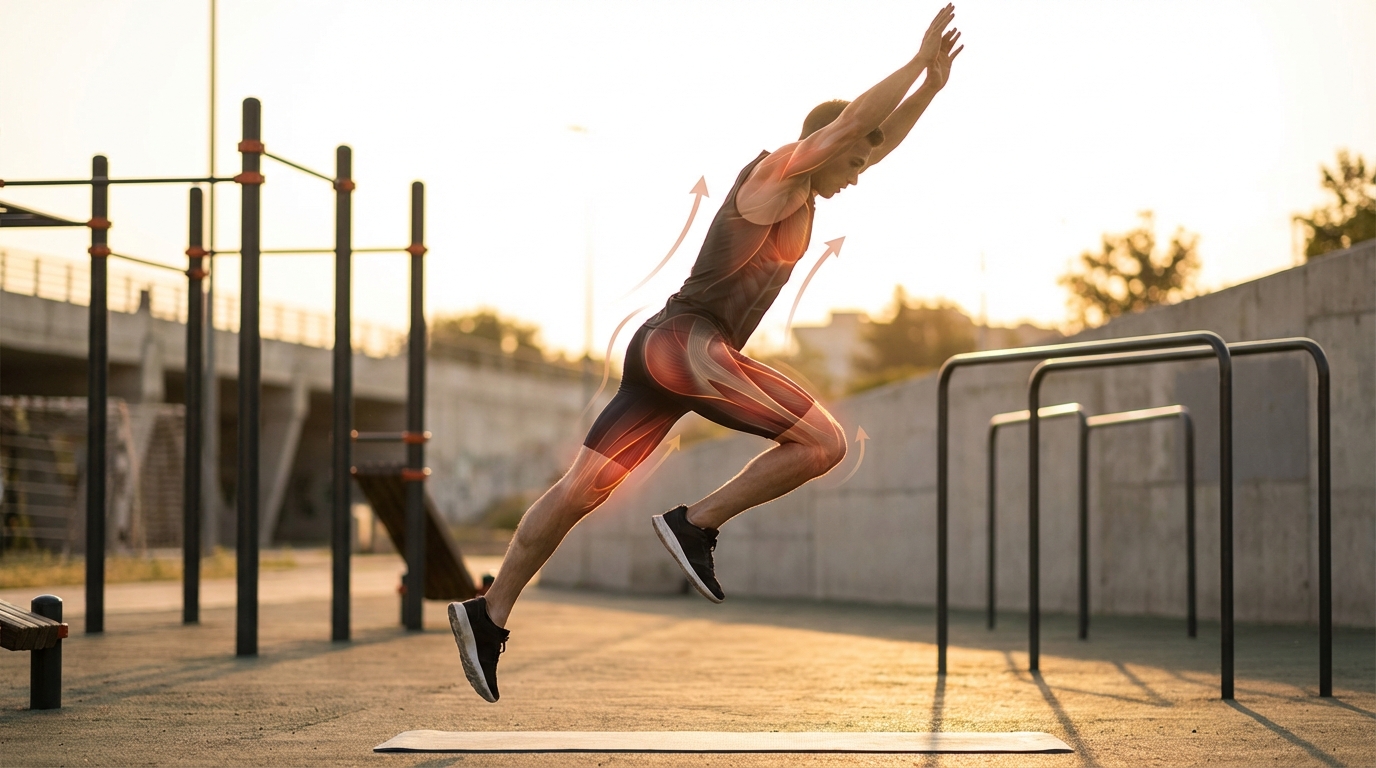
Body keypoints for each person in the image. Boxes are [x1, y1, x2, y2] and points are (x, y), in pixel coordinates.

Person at [449, 4, 964, 703]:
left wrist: (930, 91)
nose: (860, 173)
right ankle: (694, 524)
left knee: (580, 490)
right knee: (822, 442)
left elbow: (871, 140)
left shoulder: (813, 189)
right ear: (825, 144)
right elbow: (851, 129)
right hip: (689, 348)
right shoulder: (778, 172)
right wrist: (911, 63)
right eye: (854, 160)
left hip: (664, 355)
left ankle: (489, 612)